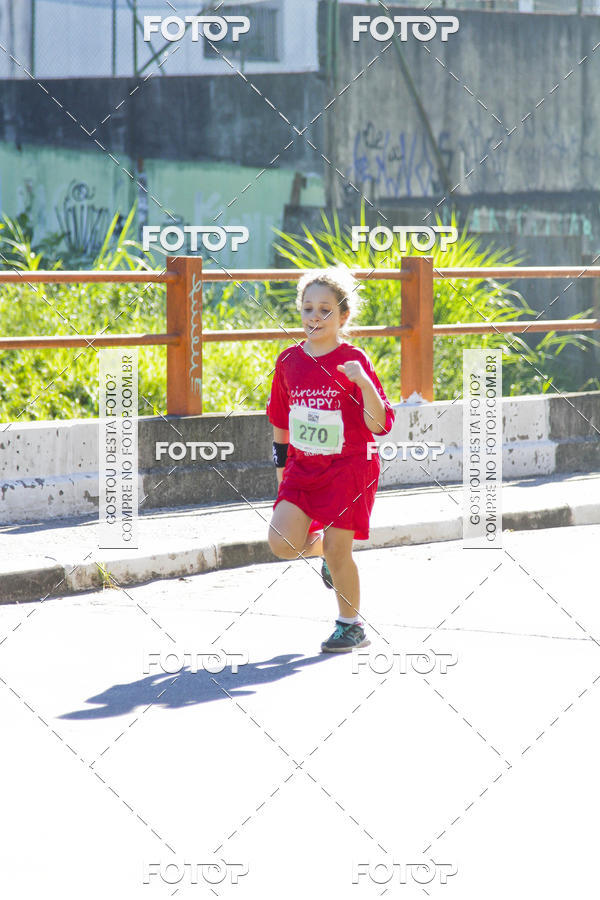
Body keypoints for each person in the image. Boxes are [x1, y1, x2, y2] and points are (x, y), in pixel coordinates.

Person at [266, 266, 395, 653]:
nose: (315, 317)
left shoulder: (353, 359)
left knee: (341, 551)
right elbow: (280, 424)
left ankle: (350, 626)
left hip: (349, 468)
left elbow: (379, 424)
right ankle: (321, 550)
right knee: (282, 542)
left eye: (325, 310)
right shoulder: (289, 361)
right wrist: (281, 474)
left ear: (343, 316)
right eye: (308, 309)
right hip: (303, 468)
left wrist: (363, 382)